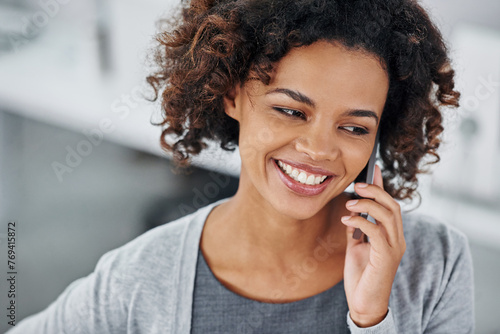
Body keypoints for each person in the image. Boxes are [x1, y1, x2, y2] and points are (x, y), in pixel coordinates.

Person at [8, 0, 474, 333]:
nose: (318, 150)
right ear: (232, 94)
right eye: (291, 111)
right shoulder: (139, 277)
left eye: (353, 128)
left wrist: (372, 318)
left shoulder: (435, 264)